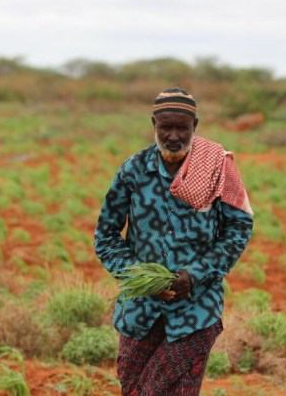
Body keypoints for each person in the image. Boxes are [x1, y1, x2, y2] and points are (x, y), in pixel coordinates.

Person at [94, 87, 253, 395]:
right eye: (166, 127)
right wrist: (142, 278)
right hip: (140, 310)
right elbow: (106, 236)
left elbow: (238, 228)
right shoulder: (133, 171)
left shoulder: (217, 168)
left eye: (183, 128)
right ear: (154, 124)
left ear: (196, 126)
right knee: (133, 388)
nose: (174, 136)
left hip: (196, 310)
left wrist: (195, 274)